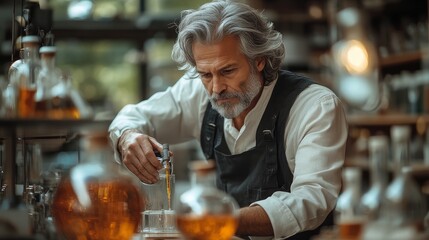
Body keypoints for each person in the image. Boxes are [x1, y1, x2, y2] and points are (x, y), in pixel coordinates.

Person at [109, 0, 347, 239]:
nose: (216, 88)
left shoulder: (313, 106)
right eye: (205, 74)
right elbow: (132, 117)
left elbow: (312, 201)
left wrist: (218, 221)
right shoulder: (197, 94)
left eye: (228, 71)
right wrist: (127, 137)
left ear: (259, 60)